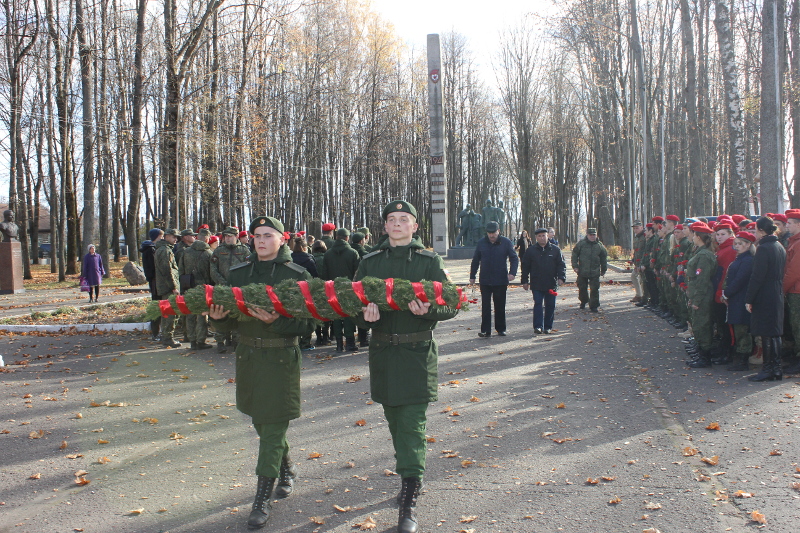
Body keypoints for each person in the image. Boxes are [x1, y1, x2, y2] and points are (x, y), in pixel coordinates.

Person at [353, 200, 459, 533]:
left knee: (412, 422)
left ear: (415, 226)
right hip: (383, 352)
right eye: (391, 219)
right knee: (395, 419)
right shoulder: (369, 262)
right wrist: (364, 316)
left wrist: (427, 310)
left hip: (416, 353)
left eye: (404, 219)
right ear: (384, 227)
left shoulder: (430, 262)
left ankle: (410, 492)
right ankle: (409, 476)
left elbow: (452, 304)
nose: (397, 224)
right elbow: (351, 302)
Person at [207, 216, 316, 529]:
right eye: (257, 235)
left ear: (282, 239)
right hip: (249, 358)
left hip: (281, 357)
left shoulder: (296, 274)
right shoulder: (239, 273)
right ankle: (287, 468)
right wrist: (217, 319)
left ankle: (261, 499)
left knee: (271, 428)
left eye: (268, 235)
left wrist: (275, 322)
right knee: (262, 422)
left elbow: (308, 325)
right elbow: (227, 321)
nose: (261, 240)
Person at [746, 216, 787, 381]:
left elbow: (757, 276)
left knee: (767, 332)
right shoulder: (779, 246)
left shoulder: (764, 248)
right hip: (776, 291)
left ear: (761, 231)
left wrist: (749, 298)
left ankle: (769, 368)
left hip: (765, 293)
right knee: (774, 332)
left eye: (756, 230)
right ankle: (775, 368)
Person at [469, 221, 518, 337]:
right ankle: (485, 330)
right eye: (489, 233)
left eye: (494, 233)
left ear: (498, 231)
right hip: (485, 279)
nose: (491, 236)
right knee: (486, 306)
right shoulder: (481, 243)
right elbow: (475, 260)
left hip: (500, 279)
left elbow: (514, 258)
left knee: (500, 305)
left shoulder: (506, 242)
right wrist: (472, 275)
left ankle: (501, 328)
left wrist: (512, 273)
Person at [210, 227, 252, 353]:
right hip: (222, 288)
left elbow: (249, 268)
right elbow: (213, 269)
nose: (228, 239)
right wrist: (222, 282)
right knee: (222, 312)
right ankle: (220, 341)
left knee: (237, 313)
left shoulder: (244, 251)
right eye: (226, 236)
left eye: (230, 236)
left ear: (236, 237)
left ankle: (236, 341)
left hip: (238, 288)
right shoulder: (218, 251)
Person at [684, 222, 718, 368]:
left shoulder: (704, 255)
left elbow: (702, 280)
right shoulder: (699, 252)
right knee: (698, 325)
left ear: (698, 236)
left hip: (703, 295)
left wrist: (696, 300)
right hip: (698, 293)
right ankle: (700, 353)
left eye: (693, 234)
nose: (691, 237)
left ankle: (705, 357)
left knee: (702, 325)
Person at [321, 228, 360, 352]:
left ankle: (338, 344)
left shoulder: (327, 254)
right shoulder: (353, 253)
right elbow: (358, 273)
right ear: (347, 238)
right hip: (349, 288)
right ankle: (349, 343)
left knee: (337, 315)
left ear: (336, 237)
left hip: (333, 288)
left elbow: (324, 273)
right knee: (348, 315)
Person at [521, 228, 566, 334]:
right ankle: (538, 326)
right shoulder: (531, 251)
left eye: (544, 235)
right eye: (539, 236)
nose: (542, 238)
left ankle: (548, 326)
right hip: (536, 283)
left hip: (551, 282)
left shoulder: (555, 250)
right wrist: (524, 281)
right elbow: (525, 267)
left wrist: (561, 277)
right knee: (538, 304)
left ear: (547, 236)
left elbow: (561, 265)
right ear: (536, 237)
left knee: (550, 305)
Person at [722, 231, 756, 371]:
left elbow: (740, 280)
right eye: (735, 243)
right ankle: (740, 356)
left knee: (742, 328)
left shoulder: (748, 260)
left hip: (741, 298)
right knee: (738, 326)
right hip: (736, 298)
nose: (737, 246)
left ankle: (743, 360)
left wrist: (727, 293)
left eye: (740, 244)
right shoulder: (740, 258)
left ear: (748, 245)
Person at [179, 228, 214, 350]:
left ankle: (192, 341)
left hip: (188, 285)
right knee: (202, 315)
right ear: (206, 239)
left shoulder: (186, 252)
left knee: (190, 314)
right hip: (203, 288)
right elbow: (212, 273)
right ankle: (201, 341)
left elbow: (181, 270)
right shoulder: (208, 253)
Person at [711, 223, 737, 364]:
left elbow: (726, 274)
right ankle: (723, 349)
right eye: (718, 234)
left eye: (723, 234)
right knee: (721, 324)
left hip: (723, 293)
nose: (719, 237)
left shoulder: (731, 250)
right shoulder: (721, 249)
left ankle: (728, 352)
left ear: (730, 234)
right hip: (718, 291)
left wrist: (722, 292)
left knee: (727, 326)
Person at [154, 228, 182, 348]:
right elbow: (167, 270)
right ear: (166, 236)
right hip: (168, 288)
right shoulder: (165, 250)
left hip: (166, 287)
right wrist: (173, 287)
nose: (175, 239)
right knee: (170, 313)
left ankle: (167, 337)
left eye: (176, 237)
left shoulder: (164, 249)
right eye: (173, 237)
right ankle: (168, 338)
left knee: (168, 312)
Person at [781, 209, 800, 375]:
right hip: (794, 291)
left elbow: (794, 271)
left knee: (798, 325)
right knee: (795, 326)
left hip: (797, 291)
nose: (787, 226)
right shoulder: (793, 241)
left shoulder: (799, 243)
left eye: (790, 223)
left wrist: (783, 288)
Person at [571, 228, 608, 312]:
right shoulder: (581, 244)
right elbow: (574, 255)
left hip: (595, 271)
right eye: (590, 235)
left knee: (594, 289)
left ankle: (594, 305)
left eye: (594, 235)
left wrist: (603, 270)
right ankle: (583, 301)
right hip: (582, 271)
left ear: (596, 235)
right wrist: (575, 266)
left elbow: (603, 259)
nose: (592, 236)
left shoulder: (599, 246)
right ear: (587, 235)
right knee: (582, 287)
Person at [141, 228, 163, 341]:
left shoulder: (153, 249)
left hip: (157, 281)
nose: (162, 238)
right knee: (157, 307)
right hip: (155, 282)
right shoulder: (150, 250)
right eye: (160, 236)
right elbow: (152, 268)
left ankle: (158, 332)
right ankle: (155, 333)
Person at [311, 240, 330, 347]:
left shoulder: (312, 258)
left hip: (314, 289)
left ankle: (318, 337)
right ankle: (326, 337)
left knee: (316, 313)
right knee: (326, 313)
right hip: (326, 288)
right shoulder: (327, 259)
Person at [630, 221, 646, 303]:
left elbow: (645, 251)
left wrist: (642, 263)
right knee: (634, 276)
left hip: (643, 262)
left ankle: (642, 296)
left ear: (642, 227)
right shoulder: (636, 238)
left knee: (642, 279)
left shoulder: (645, 236)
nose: (635, 230)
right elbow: (636, 251)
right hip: (637, 262)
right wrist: (633, 260)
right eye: (634, 228)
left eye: (637, 228)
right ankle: (639, 295)